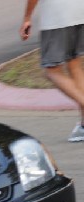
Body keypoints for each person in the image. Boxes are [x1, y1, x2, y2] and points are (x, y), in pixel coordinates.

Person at [20, 0, 84, 142]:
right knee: (74, 64)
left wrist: (27, 18)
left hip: (57, 17)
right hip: (80, 11)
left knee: (52, 71)